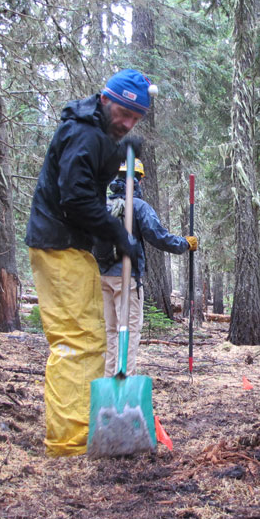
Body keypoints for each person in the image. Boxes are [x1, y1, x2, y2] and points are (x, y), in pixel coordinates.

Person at [24, 69, 152, 457]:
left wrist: (120, 151)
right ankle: (69, 441)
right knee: (78, 341)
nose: (127, 122)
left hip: (67, 245)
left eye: (135, 117)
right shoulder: (84, 133)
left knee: (88, 336)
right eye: (123, 113)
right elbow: (76, 198)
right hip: (59, 244)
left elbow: (86, 178)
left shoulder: (93, 131)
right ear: (105, 99)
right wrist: (117, 234)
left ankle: (76, 430)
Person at [94, 158, 198, 377]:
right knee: (129, 333)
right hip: (127, 280)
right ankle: (124, 385)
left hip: (102, 278)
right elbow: (158, 236)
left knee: (110, 332)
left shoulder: (101, 205)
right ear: (138, 180)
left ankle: (107, 384)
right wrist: (185, 244)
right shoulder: (138, 206)